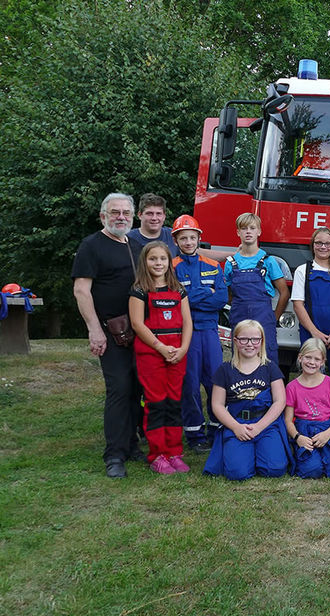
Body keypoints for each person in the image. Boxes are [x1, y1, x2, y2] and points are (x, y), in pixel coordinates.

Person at [72, 192, 144, 478]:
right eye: (115, 212)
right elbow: (81, 290)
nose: (121, 217)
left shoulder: (136, 246)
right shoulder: (91, 246)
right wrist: (94, 330)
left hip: (138, 330)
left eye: (126, 212)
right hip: (109, 332)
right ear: (103, 216)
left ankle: (131, 444)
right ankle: (114, 455)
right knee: (119, 389)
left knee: (137, 388)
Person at [129, 241, 193, 474]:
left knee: (174, 402)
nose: (158, 263)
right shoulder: (139, 290)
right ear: (145, 262)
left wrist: (183, 348)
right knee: (156, 403)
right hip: (152, 353)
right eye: (153, 259)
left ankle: (174, 451)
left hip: (177, 353)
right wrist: (160, 347)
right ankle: (157, 454)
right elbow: (137, 324)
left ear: (169, 262)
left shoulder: (178, 289)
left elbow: (187, 321)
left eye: (162, 259)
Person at [203, 320, 292, 480]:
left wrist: (259, 427)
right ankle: (243, 454)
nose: (249, 344)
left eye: (255, 339)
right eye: (244, 339)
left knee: (275, 469)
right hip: (237, 423)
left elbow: (280, 401)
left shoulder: (270, 367)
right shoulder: (225, 370)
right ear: (235, 341)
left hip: (265, 424)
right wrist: (236, 427)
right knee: (237, 473)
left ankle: (261, 452)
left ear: (262, 341)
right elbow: (217, 405)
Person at [171, 215, 227, 453]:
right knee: (190, 383)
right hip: (187, 333)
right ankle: (195, 435)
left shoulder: (213, 265)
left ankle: (216, 429)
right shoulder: (171, 267)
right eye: (183, 238)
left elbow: (221, 299)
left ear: (199, 238)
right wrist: (204, 293)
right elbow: (175, 300)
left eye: (192, 237)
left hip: (210, 332)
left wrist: (192, 297)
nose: (188, 242)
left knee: (216, 382)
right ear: (176, 240)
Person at [223, 213, 289, 366]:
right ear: (238, 232)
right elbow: (229, 295)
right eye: (244, 228)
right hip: (239, 317)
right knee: (240, 358)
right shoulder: (230, 263)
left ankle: (269, 390)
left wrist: (274, 317)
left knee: (267, 359)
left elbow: (284, 293)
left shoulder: (268, 261)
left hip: (264, 319)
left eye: (252, 228)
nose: (248, 232)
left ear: (259, 232)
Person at [291, 227, 330, 399]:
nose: (323, 247)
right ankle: (310, 412)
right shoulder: (304, 270)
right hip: (311, 331)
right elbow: (298, 305)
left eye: (327, 243)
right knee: (311, 371)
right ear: (312, 245)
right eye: (319, 243)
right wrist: (314, 333)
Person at [284, 338, 330, 478]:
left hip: (327, 428)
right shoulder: (291, 387)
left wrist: (328, 433)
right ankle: (305, 457)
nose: (312, 362)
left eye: (316, 359)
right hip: (304, 430)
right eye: (308, 357)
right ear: (300, 357)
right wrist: (298, 437)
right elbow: (288, 420)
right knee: (312, 471)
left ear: (322, 362)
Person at [126, 193, 178, 257]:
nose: (154, 218)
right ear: (140, 215)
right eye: (149, 213)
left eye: (158, 214)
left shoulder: (173, 236)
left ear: (164, 216)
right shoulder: (127, 239)